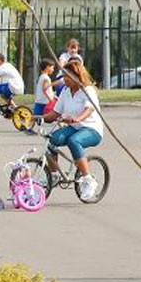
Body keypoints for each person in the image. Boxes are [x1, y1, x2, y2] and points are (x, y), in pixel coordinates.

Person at [43, 60, 105, 198]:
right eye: (64, 76)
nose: (65, 79)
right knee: (51, 140)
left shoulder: (87, 90)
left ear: (77, 76)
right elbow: (55, 113)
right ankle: (54, 175)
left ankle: (88, 179)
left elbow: (89, 109)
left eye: (68, 76)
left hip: (91, 129)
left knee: (74, 141)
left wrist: (78, 118)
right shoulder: (65, 91)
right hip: (74, 127)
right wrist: (38, 118)